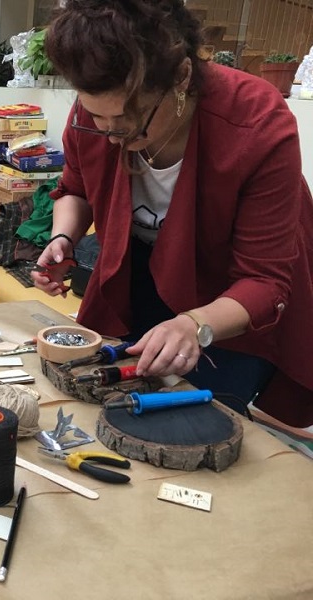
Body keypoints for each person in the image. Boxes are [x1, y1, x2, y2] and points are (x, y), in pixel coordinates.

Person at [32, 0, 313, 428]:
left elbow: (264, 279)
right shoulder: (100, 112)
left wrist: (195, 324)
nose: (110, 135)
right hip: (136, 274)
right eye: (96, 118)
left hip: (228, 298)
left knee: (193, 425)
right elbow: (76, 187)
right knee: (106, 406)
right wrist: (63, 238)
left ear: (181, 77)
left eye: (126, 120)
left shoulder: (256, 121)